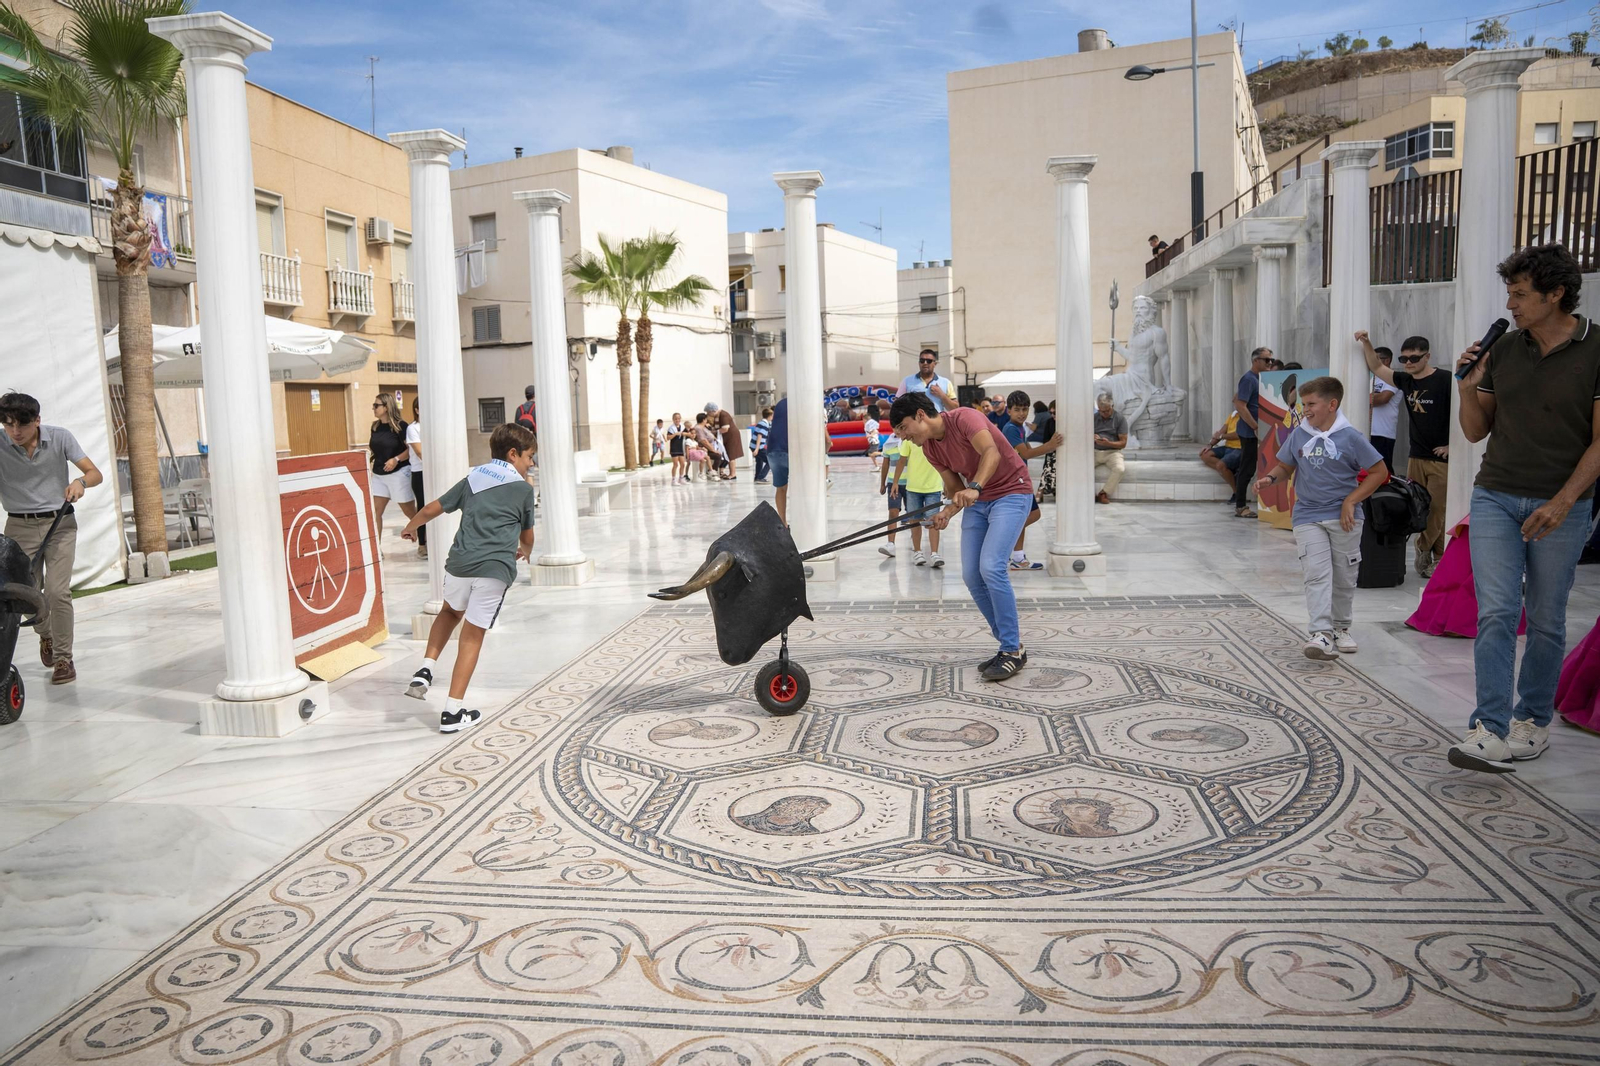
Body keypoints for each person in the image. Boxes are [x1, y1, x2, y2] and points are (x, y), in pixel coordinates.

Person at [1447, 243, 1600, 774]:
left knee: (1547, 618)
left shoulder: (1596, 348)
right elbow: (1474, 431)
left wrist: (1562, 503)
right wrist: (1467, 387)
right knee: (1495, 611)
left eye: (1520, 294)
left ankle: (1531, 721)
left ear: (1557, 293)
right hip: (1495, 495)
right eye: (1508, 294)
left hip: (1564, 503)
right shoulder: (1506, 350)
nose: (1510, 305)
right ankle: (1489, 728)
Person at [402, 423, 536, 734]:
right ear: (513, 454)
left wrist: (411, 526)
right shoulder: (523, 490)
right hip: (493, 570)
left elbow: (434, 507)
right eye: (529, 457)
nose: (531, 463)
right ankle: (452, 712)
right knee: (472, 636)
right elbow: (527, 535)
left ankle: (425, 668)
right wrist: (525, 551)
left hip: (459, 565)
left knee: (449, 612)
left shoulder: (474, 478)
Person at [890, 391, 1034, 680]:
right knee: (971, 575)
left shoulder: (965, 417)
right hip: (979, 501)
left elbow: (991, 452)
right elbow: (956, 490)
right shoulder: (929, 449)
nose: (903, 437)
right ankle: (1011, 646)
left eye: (903, 428)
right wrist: (946, 513)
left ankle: (1011, 650)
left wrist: (976, 487)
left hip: (1012, 492)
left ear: (920, 415)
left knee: (991, 567)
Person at [1253, 376, 1389, 662]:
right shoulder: (1300, 434)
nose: (1306, 410)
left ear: (1332, 404)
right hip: (1307, 515)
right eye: (1304, 404)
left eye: (1311, 404)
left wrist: (1351, 501)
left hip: (1345, 519)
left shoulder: (1351, 437)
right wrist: (1269, 478)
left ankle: (1341, 628)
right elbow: (1286, 465)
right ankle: (1320, 634)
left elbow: (1379, 472)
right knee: (1316, 574)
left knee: (1344, 576)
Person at [0, 392, 103, 685]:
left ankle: (63, 659)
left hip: (60, 524)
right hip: (18, 528)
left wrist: (80, 481)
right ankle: (45, 634)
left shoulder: (60, 438)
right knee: (25, 593)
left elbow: (95, 473)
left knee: (58, 592)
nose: (15, 432)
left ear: (37, 421)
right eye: (8, 425)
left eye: (22, 425)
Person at [1358, 330, 1450, 577]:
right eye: (1404, 359)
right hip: (1416, 456)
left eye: (1414, 358)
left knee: (1438, 510)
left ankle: (1424, 550)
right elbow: (1376, 366)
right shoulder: (1406, 380)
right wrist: (1367, 342)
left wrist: (1454, 446)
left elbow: (1465, 415)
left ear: (1427, 356)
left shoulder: (1445, 380)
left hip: (1442, 459)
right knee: (1419, 508)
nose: (1408, 363)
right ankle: (1435, 557)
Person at [998, 390, 1062, 569]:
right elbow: (1026, 453)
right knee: (1030, 515)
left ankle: (1018, 558)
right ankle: (1004, 537)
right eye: (1017, 409)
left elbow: (1026, 450)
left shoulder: (1019, 428)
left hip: (1021, 480)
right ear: (1009, 410)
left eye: (1025, 409)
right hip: (1015, 482)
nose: (1022, 413)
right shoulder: (1010, 428)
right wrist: (1050, 446)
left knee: (1027, 516)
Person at [892, 429, 946, 567]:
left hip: (933, 487)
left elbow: (946, 462)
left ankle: (934, 553)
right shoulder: (909, 438)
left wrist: (947, 484)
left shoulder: (935, 437)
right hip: (913, 488)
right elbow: (902, 460)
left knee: (933, 521)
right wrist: (896, 482)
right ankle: (917, 552)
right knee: (914, 521)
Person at [1232, 347, 1273, 519]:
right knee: (1247, 470)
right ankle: (1241, 506)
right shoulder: (1249, 379)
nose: (1270, 363)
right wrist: (1255, 426)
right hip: (1250, 432)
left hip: (1255, 431)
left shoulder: (1258, 379)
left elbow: (1236, 398)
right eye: (1266, 360)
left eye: (1271, 360)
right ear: (1256, 361)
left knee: (1251, 468)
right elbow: (1240, 405)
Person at [368, 394, 416, 538]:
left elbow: (411, 450)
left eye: (376, 405)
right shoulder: (375, 427)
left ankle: (423, 540)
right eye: (373, 405)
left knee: (408, 511)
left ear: (387, 407)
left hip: (399, 473)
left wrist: (396, 459)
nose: (373, 408)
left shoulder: (401, 426)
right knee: (376, 512)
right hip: (378, 475)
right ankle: (377, 549)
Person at [878, 420, 908, 558]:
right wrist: (883, 483)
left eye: (900, 428)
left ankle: (916, 544)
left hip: (911, 484)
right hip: (893, 483)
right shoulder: (888, 445)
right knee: (893, 512)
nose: (897, 431)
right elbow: (885, 465)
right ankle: (891, 544)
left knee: (913, 514)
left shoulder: (911, 442)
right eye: (895, 428)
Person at [1367, 346, 1400, 469]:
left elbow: (1383, 398)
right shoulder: (1372, 378)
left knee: (1384, 468)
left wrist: (1360, 397)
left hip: (1383, 432)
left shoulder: (1393, 378)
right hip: (1368, 431)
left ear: (1387, 360)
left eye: (1377, 359)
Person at [1092, 393, 1129, 504]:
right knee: (1081, 468)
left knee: (1119, 469)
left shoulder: (1120, 419)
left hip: (1112, 452)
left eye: (1106, 411)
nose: (1104, 414)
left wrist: (1108, 443)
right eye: (1101, 411)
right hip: (1094, 451)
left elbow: (1123, 443)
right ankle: (1089, 493)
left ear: (1112, 406)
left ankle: (1104, 492)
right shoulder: (1093, 417)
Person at [1200, 413, 1244, 495]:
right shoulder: (1233, 415)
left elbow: (1239, 434)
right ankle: (1228, 471)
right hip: (1228, 447)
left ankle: (1236, 493)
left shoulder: (1247, 415)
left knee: (1220, 465)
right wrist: (1210, 445)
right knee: (1205, 454)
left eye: (1235, 400)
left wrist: (1222, 436)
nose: (1233, 401)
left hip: (1240, 448)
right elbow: (1220, 432)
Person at [405, 398, 427, 560]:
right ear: (417, 410)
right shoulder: (413, 429)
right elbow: (419, 452)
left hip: (434, 472)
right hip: (420, 472)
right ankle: (422, 544)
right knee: (422, 507)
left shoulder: (433, 427)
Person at [768, 397, 790, 522]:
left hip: (772, 450)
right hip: (790, 449)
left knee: (781, 488)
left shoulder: (781, 403)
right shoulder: (803, 402)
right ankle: (802, 524)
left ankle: (783, 522)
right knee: (801, 488)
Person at [708, 402, 743, 479]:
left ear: (712, 411)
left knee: (731, 455)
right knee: (727, 454)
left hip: (731, 436)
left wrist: (713, 432)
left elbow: (725, 429)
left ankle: (732, 474)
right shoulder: (717, 416)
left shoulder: (724, 415)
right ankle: (726, 472)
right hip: (725, 437)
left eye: (708, 412)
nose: (708, 414)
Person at [750, 408, 772, 483]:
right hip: (758, 447)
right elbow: (760, 436)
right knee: (770, 461)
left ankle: (757, 477)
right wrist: (757, 449)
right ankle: (760, 477)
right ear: (769, 416)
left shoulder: (762, 423)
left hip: (754, 446)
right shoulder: (764, 424)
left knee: (759, 461)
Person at [667, 412, 688, 485]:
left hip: (681, 447)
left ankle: (681, 478)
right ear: (673, 419)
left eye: (678, 418)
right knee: (675, 464)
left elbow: (687, 433)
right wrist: (675, 434)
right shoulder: (671, 428)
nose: (677, 420)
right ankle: (673, 480)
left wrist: (683, 433)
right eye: (675, 419)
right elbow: (668, 437)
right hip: (674, 448)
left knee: (682, 464)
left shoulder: (682, 427)